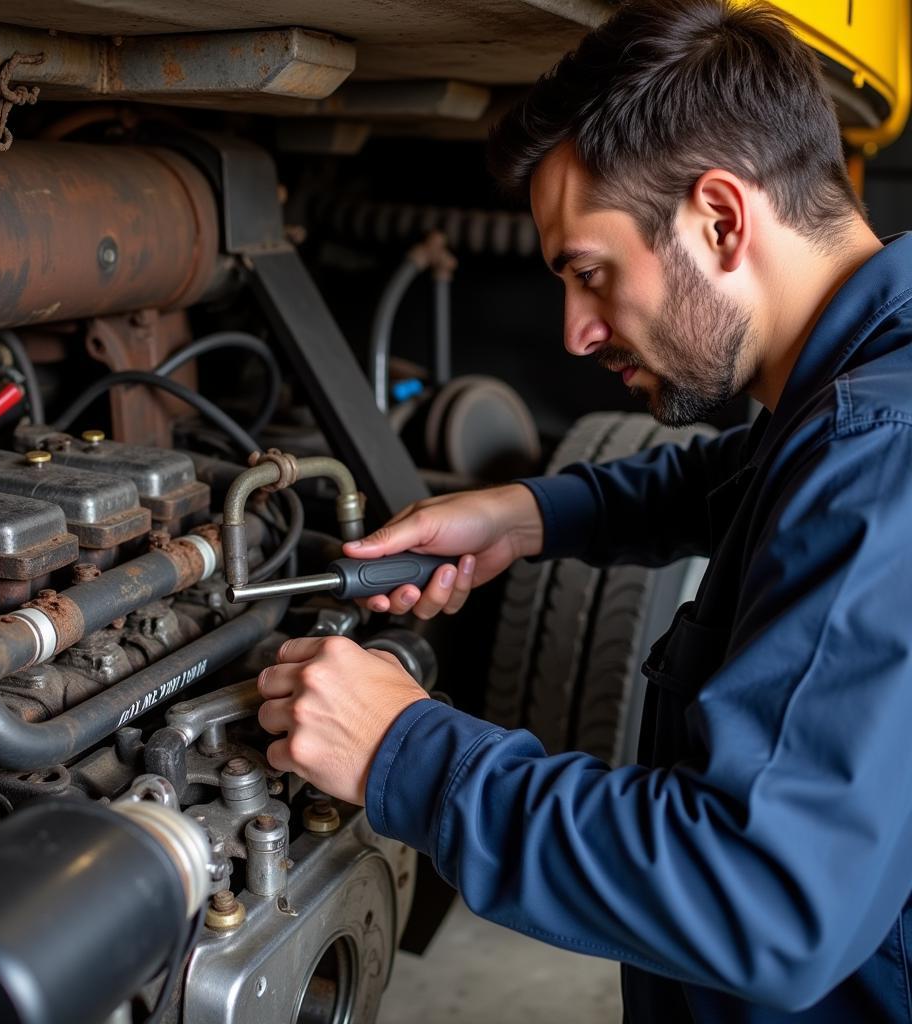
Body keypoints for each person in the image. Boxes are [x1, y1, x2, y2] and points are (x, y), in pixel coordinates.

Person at [257, 1, 912, 1019]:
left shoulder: (881, 453)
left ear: (721, 219)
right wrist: (528, 513)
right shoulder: (867, 383)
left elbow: (762, 901)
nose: (572, 330)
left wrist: (404, 749)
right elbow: (741, 478)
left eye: (590, 273)